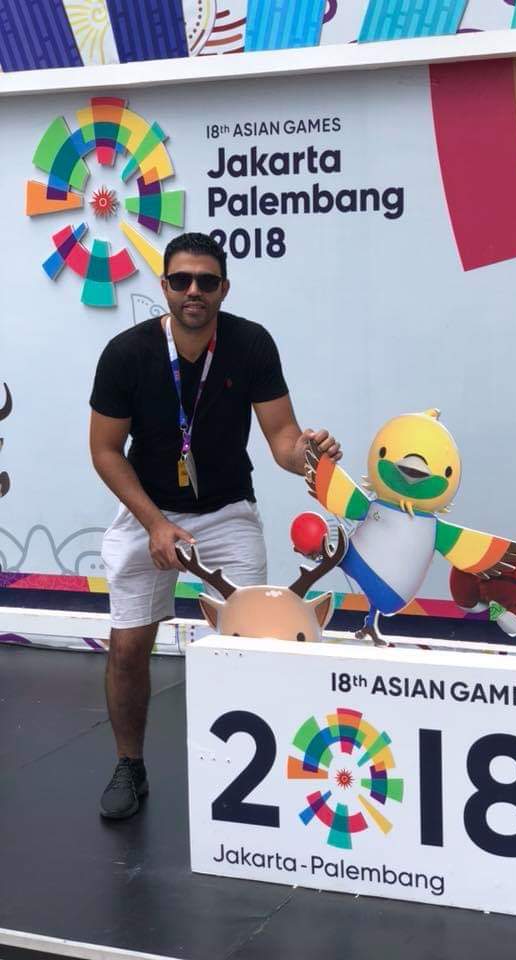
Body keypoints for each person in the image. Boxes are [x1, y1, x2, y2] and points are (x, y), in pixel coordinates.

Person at [89, 232, 341, 820]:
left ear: (224, 288)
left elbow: (282, 438)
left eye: (206, 281)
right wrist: (155, 524)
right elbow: (104, 451)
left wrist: (309, 454)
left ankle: (254, 772)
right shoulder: (126, 354)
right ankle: (129, 765)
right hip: (147, 512)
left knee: (253, 642)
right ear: (165, 287)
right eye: (181, 280)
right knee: (128, 644)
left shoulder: (251, 344)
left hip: (227, 512)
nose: (193, 291)